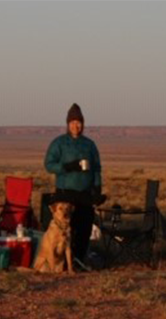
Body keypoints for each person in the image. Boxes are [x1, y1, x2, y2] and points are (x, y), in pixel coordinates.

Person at [44, 103, 103, 265]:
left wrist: (97, 188)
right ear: (67, 124)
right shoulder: (59, 143)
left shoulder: (89, 144)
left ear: (83, 124)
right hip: (65, 194)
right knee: (65, 230)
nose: (75, 126)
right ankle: (61, 263)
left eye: (78, 122)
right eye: (72, 122)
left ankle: (78, 262)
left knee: (84, 228)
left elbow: (97, 168)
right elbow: (48, 164)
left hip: (85, 194)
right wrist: (66, 167)